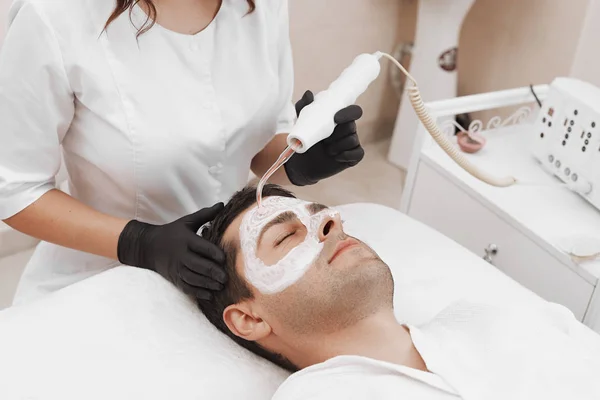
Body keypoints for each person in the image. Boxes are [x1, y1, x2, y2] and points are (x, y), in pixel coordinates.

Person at [0, 0, 366, 304]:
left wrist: (298, 161)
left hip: (221, 276)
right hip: (97, 276)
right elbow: (15, 190)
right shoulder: (55, 15)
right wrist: (139, 243)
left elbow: (257, 142)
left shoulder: (263, 6)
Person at [198, 184, 600, 400]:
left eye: (322, 214)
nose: (331, 222)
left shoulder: (500, 317)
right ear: (249, 319)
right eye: (285, 236)